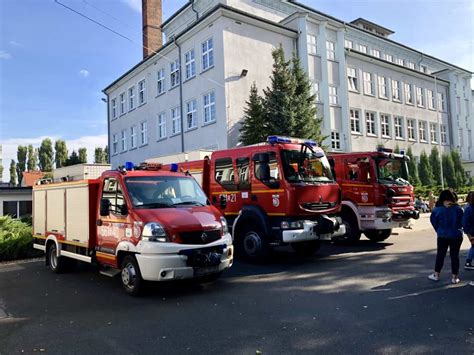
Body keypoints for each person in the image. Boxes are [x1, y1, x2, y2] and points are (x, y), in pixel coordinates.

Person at [428, 189, 464, 284]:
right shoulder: (458, 209)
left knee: (440, 255)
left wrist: (438, 230)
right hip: (456, 234)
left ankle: (436, 274)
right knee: (454, 256)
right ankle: (454, 277)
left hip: (442, 234)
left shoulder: (437, 209)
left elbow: (433, 221)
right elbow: (463, 222)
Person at [463, 191, 474, 270]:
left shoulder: (468, 208)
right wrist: (469, 235)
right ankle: (468, 262)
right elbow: (465, 223)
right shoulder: (469, 208)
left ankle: (468, 262)